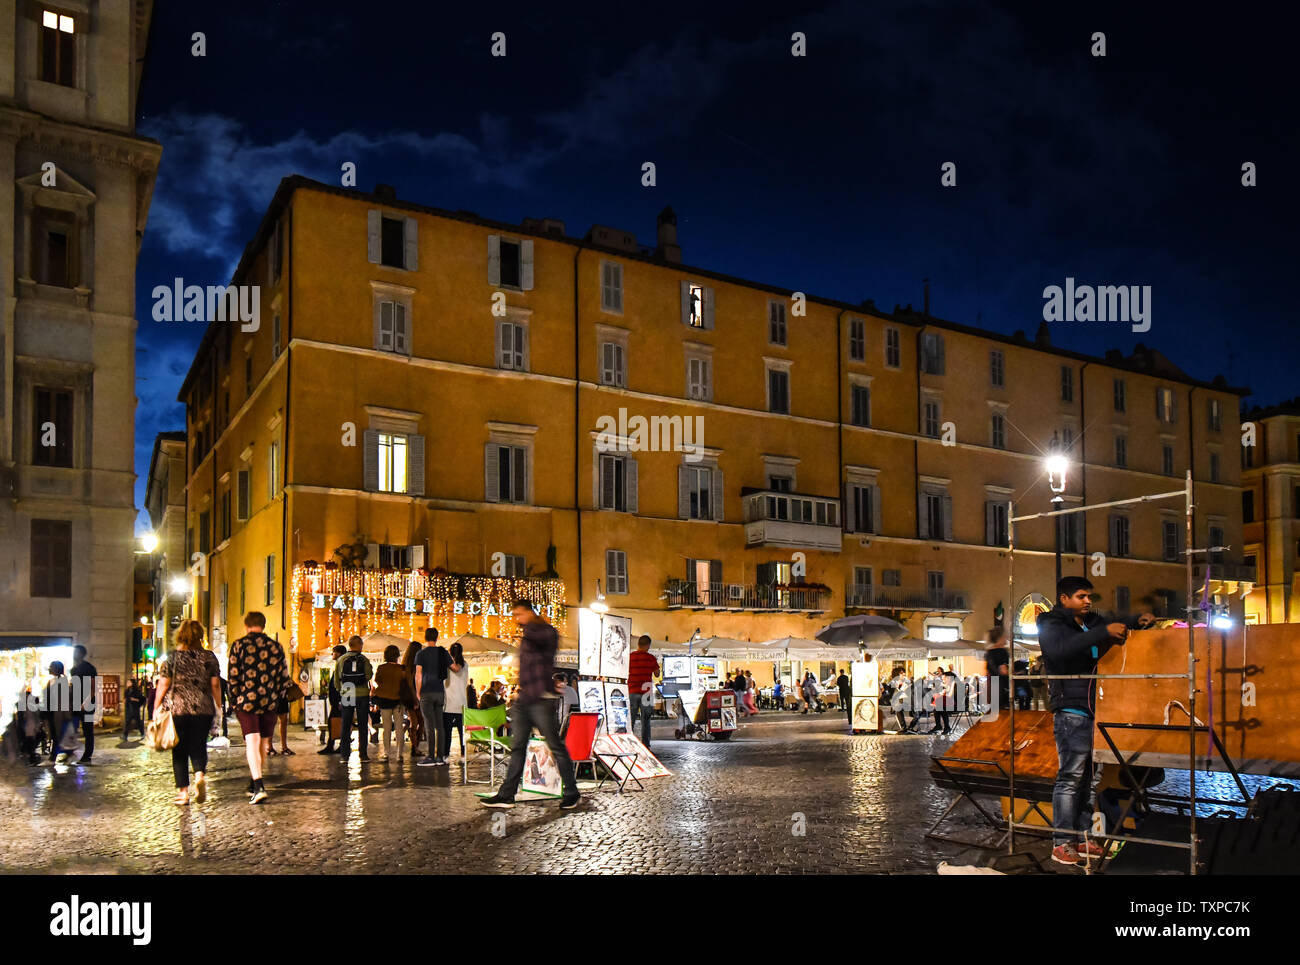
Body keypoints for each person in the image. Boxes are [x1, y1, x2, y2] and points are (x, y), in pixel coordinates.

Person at [1038, 576, 1154, 866]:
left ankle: (1083, 837)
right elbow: (1061, 650)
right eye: (1081, 596)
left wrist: (1136, 621)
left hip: (1095, 709)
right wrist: (1101, 633)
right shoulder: (1051, 623)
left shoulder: (1088, 621)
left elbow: (1110, 623)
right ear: (1064, 598)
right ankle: (1062, 842)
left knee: (1091, 780)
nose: (1087, 601)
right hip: (1070, 710)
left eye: (1089, 596)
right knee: (1070, 778)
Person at [480, 600, 580, 810]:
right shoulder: (529, 633)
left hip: (542, 697)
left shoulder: (543, 631)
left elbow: (546, 648)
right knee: (517, 747)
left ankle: (572, 792)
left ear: (529, 612)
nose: (517, 619)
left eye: (519, 614)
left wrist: (529, 627)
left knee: (555, 746)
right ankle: (507, 795)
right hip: (526, 697)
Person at [154, 620, 221, 806]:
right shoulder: (209, 657)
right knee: (199, 745)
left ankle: (183, 793)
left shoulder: (173, 658)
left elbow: (164, 684)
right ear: (200, 635)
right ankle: (199, 775)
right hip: (203, 707)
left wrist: (156, 706)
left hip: (177, 708)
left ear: (180, 635)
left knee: (179, 750)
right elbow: (215, 684)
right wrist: (219, 705)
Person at [228, 611, 294, 803]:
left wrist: (234, 699)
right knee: (263, 744)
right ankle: (254, 780)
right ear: (263, 626)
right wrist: (275, 697)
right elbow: (284, 678)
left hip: (246, 701)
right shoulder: (275, 647)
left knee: (252, 741)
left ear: (247, 626)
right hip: (269, 701)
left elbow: (233, 675)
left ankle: (258, 786)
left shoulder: (239, 645)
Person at [333, 635, 374, 764]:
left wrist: (341, 690)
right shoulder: (364, 659)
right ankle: (363, 754)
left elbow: (336, 679)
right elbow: (368, 675)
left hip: (347, 690)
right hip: (362, 692)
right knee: (362, 724)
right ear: (360, 645)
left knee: (346, 723)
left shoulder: (341, 659)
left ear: (349, 645)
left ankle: (344, 755)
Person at [414, 627, 450, 766]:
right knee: (440, 726)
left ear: (425, 637)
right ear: (437, 637)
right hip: (440, 692)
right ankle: (440, 757)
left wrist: (418, 691)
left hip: (426, 692)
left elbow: (418, 675)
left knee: (429, 725)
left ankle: (430, 756)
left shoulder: (421, 654)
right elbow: (454, 667)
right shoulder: (443, 652)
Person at [372, 645, 407, 760]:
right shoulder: (402, 668)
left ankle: (386, 753)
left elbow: (377, 680)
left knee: (386, 728)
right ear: (397, 655)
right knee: (399, 728)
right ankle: (399, 754)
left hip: (384, 700)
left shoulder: (381, 668)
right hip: (398, 701)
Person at [627, 635, 660, 745]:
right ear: (648, 645)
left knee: (630, 720)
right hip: (646, 693)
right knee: (645, 720)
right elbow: (657, 674)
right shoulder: (651, 658)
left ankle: (628, 743)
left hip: (632, 691)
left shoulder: (630, 657)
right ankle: (646, 744)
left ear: (638, 644)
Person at [68, 644, 97, 765]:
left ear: (81, 654)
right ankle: (69, 751)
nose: (74, 654)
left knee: (87, 729)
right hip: (75, 702)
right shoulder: (74, 669)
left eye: (76, 652)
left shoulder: (88, 668)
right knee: (72, 727)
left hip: (87, 703)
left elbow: (92, 685)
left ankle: (87, 755)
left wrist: (87, 701)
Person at [42, 662, 75, 763]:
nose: (49, 668)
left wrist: (66, 714)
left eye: (51, 667)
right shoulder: (51, 681)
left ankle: (55, 754)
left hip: (58, 712)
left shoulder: (62, 681)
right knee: (54, 733)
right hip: (52, 711)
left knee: (57, 734)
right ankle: (64, 752)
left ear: (56, 669)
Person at [318, 644, 348, 754]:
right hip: (337, 701)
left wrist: (341, 700)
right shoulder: (340, 665)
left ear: (339, 654)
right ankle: (335, 745)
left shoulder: (342, 666)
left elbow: (343, 684)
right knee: (334, 722)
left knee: (336, 722)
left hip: (339, 701)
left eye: (334, 652)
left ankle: (336, 745)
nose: (332, 654)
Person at [443, 641, 469, 759]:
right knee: (462, 732)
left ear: (450, 652)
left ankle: (446, 755)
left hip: (448, 703)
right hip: (462, 703)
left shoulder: (446, 665)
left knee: (447, 732)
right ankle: (463, 755)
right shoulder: (466, 664)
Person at [400, 641, 425, 756]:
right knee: (417, 723)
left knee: (416, 723)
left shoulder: (406, 665)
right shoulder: (413, 666)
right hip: (414, 697)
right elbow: (411, 684)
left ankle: (415, 747)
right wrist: (416, 698)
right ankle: (415, 747)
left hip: (410, 697)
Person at [984, 626, 1011, 715]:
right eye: (1005, 636)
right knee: (1004, 714)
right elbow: (1004, 671)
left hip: (992, 684)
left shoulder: (988, 652)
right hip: (1001, 686)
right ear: (1000, 638)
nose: (1006, 638)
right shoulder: (1002, 652)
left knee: (995, 713)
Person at [268, 691, 294, 756]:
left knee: (284, 721)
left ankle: (284, 747)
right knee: (271, 721)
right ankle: (269, 747)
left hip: (282, 695)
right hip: (270, 694)